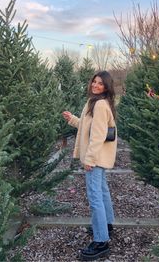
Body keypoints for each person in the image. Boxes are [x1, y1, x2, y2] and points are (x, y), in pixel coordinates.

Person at [62, 70, 117, 261]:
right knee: (102, 192)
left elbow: (98, 135)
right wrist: (72, 119)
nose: (95, 85)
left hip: (96, 158)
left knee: (95, 198)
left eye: (100, 83)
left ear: (106, 87)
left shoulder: (100, 104)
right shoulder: (94, 102)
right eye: (94, 82)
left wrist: (90, 159)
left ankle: (101, 241)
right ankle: (107, 225)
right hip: (98, 158)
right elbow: (88, 127)